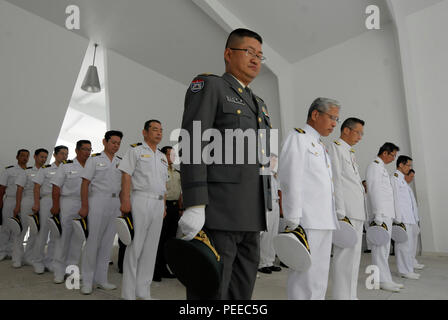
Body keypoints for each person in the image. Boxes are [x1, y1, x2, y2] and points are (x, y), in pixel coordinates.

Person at [178, 28, 272, 300]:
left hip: (252, 215)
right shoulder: (211, 86)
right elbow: (194, 142)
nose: (256, 59)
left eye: (260, 55)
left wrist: (267, 198)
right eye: (249, 52)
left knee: (241, 293)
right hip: (219, 212)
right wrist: (195, 203)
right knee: (210, 291)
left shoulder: (259, 103)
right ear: (228, 54)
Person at [278, 97, 340, 300]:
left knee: (319, 275)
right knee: (304, 275)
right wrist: (293, 217)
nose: (334, 124)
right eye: (332, 117)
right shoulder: (298, 138)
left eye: (336, 120)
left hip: (323, 220)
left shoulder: (319, 145)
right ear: (315, 114)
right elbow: (289, 178)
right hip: (306, 220)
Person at [118, 120, 168, 300]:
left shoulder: (162, 157)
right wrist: (125, 199)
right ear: (145, 132)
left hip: (157, 203)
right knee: (135, 246)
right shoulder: (135, 151)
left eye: (161, 130)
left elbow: (163, 184)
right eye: (155, 130)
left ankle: (143, 291)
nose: (159, 133)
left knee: (151, 249)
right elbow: (126, 174)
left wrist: (162, 206)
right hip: (140, 199)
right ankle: (128, 294)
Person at [79, 131, 123, 294]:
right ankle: (87, 280)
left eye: (118, 143)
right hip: (97, 200)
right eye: (113, 142)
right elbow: (85, 184)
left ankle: (101, 279)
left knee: (107, 241)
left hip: (114, 202)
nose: (116, 145)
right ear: (105, 142)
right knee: (93, 240)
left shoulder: (121, 161)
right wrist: (84, 206)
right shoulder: (94, 160)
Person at [328, 117, 366, 300]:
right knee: (344, 257)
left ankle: (350, 295)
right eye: (358, 132)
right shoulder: (336, 148)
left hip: (356, 211)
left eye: (361, 134)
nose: (360, 137)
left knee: (353, 258)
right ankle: (340, 296)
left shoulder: (348, 151)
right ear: (346, 130)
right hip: (347, 212)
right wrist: (340, 212)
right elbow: (335, 180)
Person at [51, 140, 92, 284]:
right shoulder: (66, 166)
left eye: (89, 149)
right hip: (68, 202)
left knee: (78, 239)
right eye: (85, 149)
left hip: (85, 203)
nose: (87, 152)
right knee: (64, 238)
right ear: (77, 150)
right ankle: (58, 271)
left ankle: (72, 271)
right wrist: (55, 206)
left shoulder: (91, 166)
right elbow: (56, 187)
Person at [366, 142, 403, 292]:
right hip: (380, 215)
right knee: (380, 250)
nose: (394, 159)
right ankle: (381, 280)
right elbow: (374, 190)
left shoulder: (381, 167)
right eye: (393, 155)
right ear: (385, 153)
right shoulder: (374, 166)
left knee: (384, 249)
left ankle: (384, 278)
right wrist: (378, 214)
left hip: (386, 214)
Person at [31, 146, 69, 274]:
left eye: (66, 154)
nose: (64, 156)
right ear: (55, 155)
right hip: (47, 201)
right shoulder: (46, 169)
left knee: (56, 233)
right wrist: (36, 203)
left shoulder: (68, 168)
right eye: (62, 153)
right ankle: (37, 261)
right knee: (43, 233)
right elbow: (36, 187)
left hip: (62, 202)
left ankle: (50, 261)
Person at [12, 148, 48, 268]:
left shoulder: (47, 171)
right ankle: (17, 258)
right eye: (41, 157)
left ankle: (29, 257)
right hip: (28, 201)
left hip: (41, 202)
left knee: (35, 231)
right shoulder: (27, 172)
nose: (43, 159)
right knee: (21, 231)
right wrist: (17, 206)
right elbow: (19, 189)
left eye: (45, 157)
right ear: (35, 157)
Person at [153, 146, 182, 282]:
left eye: (174, 154)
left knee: (169, 240)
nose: (173, 157)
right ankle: (155, 270)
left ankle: (164, 268)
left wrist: (181, 209)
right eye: (170, 154)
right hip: (164, 207)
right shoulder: (160, 170)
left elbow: (180, 193)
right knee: (159, 239)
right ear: (164, 156)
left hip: (175, 209)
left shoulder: (177, 172)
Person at [391, 155, 421, 280]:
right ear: (401, 165)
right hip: (402, 218)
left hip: (409, 217)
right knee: (402, 245)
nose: (409, 168)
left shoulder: (402, 179)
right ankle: (404, 271)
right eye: (408, 165)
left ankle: (408, 269)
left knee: (408, 245)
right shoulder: (395, 178)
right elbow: (395, 199)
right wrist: (398, 218)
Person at [0, 149, 30, 261]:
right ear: (17, 157)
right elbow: (2, 189)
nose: (25, 158)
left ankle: (12, 251)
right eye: (22, 156)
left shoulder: (30, 172)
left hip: (24, 202)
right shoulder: (9, 171)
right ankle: (2, 251)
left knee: (18, 228)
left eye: (27, 156)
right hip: (10, 201)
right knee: (6, 227)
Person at [258, 153, 281, 274]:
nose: (275, 162)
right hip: (266, 205)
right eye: (273, 160)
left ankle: (270, 261)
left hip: (275, 203)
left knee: (273, 233)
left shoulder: (274, 175)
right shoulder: (262, 173)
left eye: (276, 160)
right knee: (265, 235)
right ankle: (262, 263)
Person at [404, 169, 424, 270]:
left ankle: (412, 260)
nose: (412, 179)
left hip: (413, 218)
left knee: (414, 242)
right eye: (410, 176)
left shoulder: (408, 187)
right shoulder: (403, 186)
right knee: (409, 243)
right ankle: (409, 262)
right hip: (408, 218)